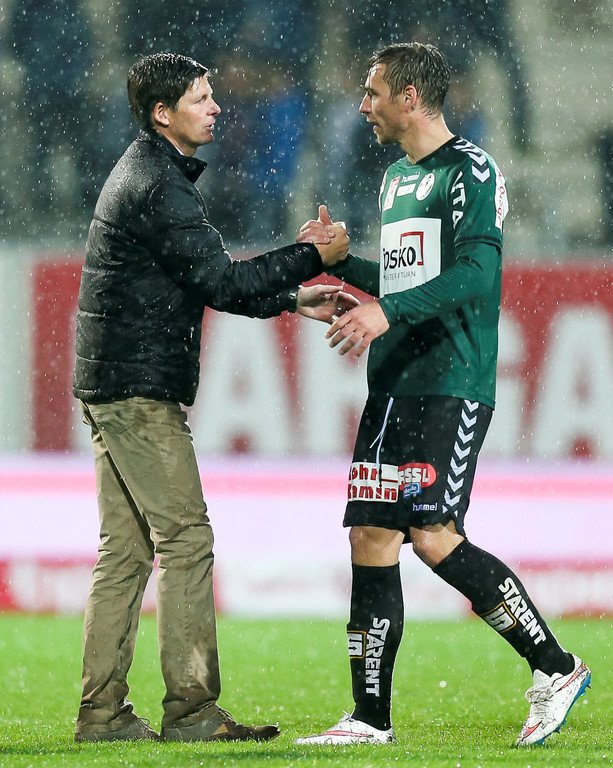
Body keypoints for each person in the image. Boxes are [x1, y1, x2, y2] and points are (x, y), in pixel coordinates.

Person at [295, 42, 590, 747]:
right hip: (392, 383)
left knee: (432, 535)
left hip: (450, 381)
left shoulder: (470, 170)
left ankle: (556, 667)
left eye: (373, 93)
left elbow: (477, 274)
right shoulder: (396, 177)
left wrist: (387, 311)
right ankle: (369, 719)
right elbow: (408, 283)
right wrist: (345, 268)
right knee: (371, 536)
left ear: (410, 97)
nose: (362, 106)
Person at [72, 52, 350, 743]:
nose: (216, 107)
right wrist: (312, 256)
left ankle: (102, 715)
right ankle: (191, 711)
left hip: (113, 382)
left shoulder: (147, 173)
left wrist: (290, 296)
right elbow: (221, 282)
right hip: (137, 390)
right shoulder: (158, 184)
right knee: (186, 539)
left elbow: (204, 280)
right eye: (200, 98)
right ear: (161, 113)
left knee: (126, 552)